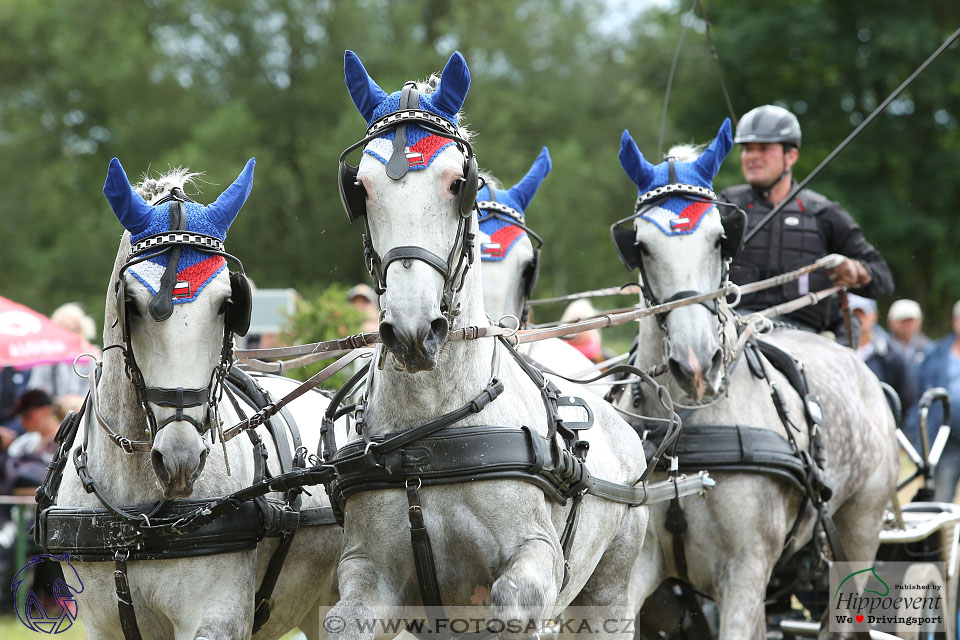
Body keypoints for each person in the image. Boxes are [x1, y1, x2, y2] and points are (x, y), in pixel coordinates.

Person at [720, 105, 894, 343]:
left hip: (806, 342)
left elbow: (883, 280)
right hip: (734, 334)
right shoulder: (725, 208)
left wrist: (856, 270)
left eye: (764, 148)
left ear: (790, 156)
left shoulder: (824, 213)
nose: (752, 157)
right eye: (747, 149)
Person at [909, 300, 960, 502]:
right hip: (944, 439)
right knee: (939, 500)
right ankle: (939, 535)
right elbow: (919, 398)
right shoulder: (935, 354)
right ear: (955, 322)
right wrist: (917, 441)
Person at [848, 294, 917, 415]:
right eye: (853, 314)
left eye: (862, 313)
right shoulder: (835, 351)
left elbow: (907, 397)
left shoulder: (890, 354)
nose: (858, 319)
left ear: (874, 315)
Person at [886, 298, 931, 370]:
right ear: (891, 322)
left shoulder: (930, 350)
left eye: (910, 320)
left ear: (920, 321)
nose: (907, 325)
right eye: (902, 320)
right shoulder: (881, 350)